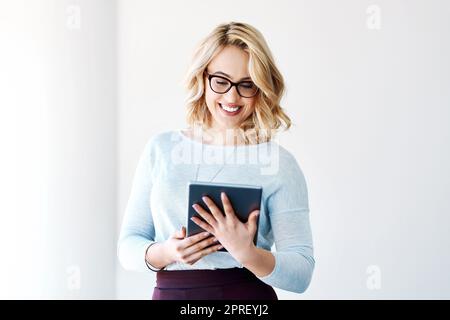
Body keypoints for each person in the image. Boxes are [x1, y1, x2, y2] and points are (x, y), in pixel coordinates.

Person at [117, 21, 314, 300]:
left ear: (261, 89)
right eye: (221, 81)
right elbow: (128, 246)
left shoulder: (280, 164)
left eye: (247, 84)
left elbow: (302, 272)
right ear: (202, 78)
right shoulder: (161, 149)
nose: (232, 97)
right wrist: (168, 252)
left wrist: (247, 252)